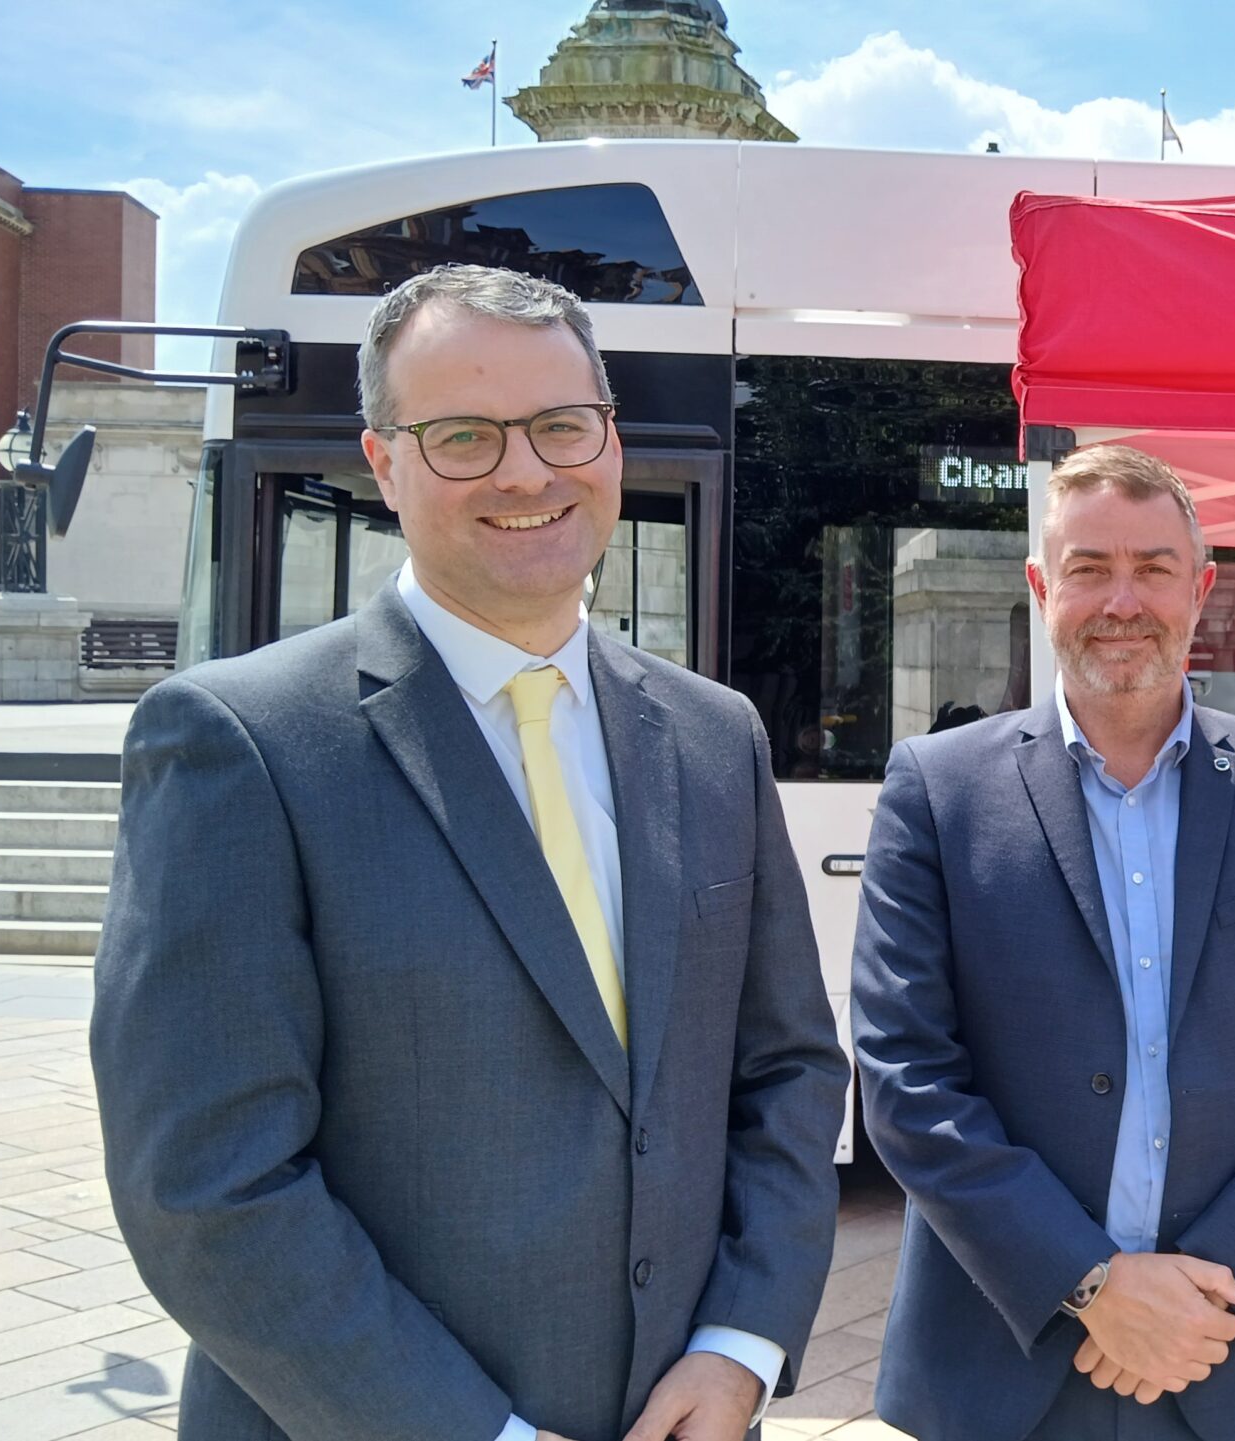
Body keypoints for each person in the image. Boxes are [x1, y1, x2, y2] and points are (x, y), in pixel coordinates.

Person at [90, 264, 850, 1441]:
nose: (527, 471)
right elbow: (207, 1185)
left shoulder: (714, 733)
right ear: (383, 463)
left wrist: (741, 1345)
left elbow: (788, 1072)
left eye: (561, 425)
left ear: (608, 437)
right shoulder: (242, 743)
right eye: (462, 436)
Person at [852, 443, 1235, 1441]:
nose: (1123, 599)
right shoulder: (938, 791)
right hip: (1007, 1354)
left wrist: (1200, 1294)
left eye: (1153, 567)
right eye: (1088, 568)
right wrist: (1089, 1283)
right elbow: (905, 1074)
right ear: (1040, 585)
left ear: (1199, 590)